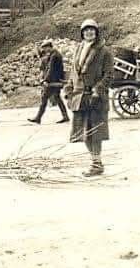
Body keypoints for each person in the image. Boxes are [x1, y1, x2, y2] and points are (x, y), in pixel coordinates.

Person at [64, 19, 113, 176]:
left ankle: (96, 164)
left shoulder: (104, 51)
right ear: (82, 33)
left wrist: (98, 90)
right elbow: (74, 72)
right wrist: (69, 88)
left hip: (95, 98)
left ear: (96, 32)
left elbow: (109, 75)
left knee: (95, 132)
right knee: (82, 132)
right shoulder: (79, 49)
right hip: (79, 97)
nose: (89, 32)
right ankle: (95, 162)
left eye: (92, 30)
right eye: (86, 30)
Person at [29, 40, 70, 124]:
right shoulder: (54, 54)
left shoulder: (54, 55)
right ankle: (65, 116)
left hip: (53, 81)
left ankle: (38, 118)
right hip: (57, 79)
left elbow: (50, 69)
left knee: (44, 98)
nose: (44, 50)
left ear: (49, 47)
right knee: (57, 98)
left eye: (45, 48)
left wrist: (45, 80)